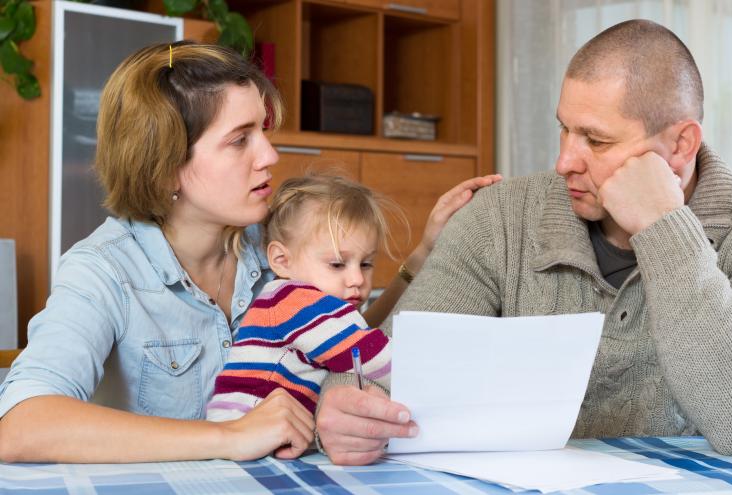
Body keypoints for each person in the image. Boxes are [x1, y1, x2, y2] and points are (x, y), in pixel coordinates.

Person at [313, 19, 732, 464]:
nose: (565, 161)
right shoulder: (500, 216)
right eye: (564, 129)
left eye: (597, 140)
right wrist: (341, 404)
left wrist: (664, 227)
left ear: (681, 145)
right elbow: (387, 370)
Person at [0, 41, 500, 463]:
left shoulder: (272, 247)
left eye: (263, 131)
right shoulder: (102, 271)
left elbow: (345, 333)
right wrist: (230, 437)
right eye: (240, 140)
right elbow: (20, 425)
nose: (270, 156)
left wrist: (419, 260)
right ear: (166, 165)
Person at [207, 174, 395, 424]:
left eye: (366, 263)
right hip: (241, 428)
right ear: (282, 261)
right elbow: (372, 356)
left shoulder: (299, 301)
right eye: (337, 264)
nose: (357, 279)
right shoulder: (296, 301)